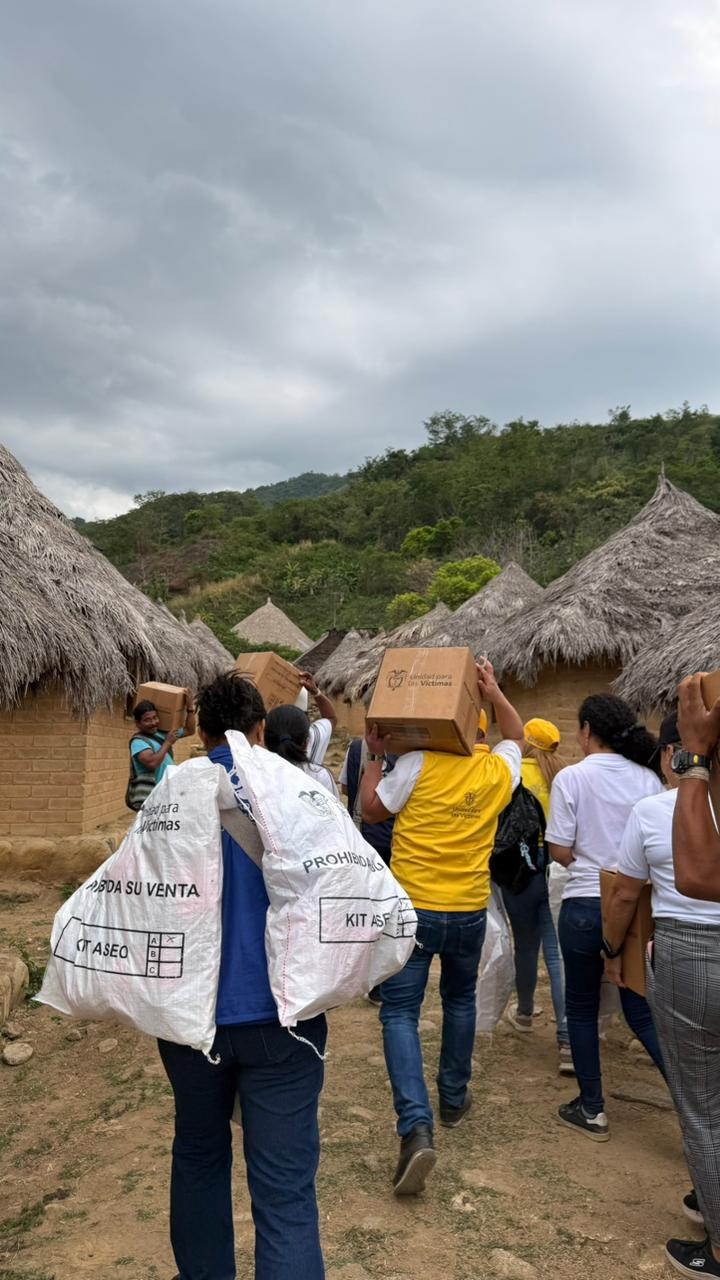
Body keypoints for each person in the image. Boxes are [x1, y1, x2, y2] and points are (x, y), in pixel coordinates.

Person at [157, 671, 327, 1280]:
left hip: (191, 1020)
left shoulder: (172, 793)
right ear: (258, 729)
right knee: (284, 1191)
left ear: (202, 734)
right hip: (283, 1019)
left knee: (199, 1154)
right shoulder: (295, 791)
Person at [360, 660, 523, 1196]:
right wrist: (494, 691)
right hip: (469, 910)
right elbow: (516, 735)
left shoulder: (416, 764)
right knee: (458, 1002)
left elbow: (371, 811)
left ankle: (416, 1126)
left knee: (401, 1013)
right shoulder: (497, 770)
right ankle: (453, 1097)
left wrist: (373, 754)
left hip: (414, 913)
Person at [602, 709, 720, 1278]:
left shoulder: (655, 810)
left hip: (691, 955)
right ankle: (709, 1192)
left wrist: (611, 950)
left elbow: (625, 894)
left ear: (678, 753)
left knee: (702, 1107)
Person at [546, 692, 665, 1141]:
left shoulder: (572, 779)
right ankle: (693, 1100)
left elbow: (559, 850)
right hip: (636, 911)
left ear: (587, 731)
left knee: (580, 1007)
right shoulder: (649, 780)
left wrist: (588, 859)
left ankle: (592, 1108)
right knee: (640, 1007)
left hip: (583, 903)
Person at [500, 718, 573, 1075]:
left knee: (525, 946)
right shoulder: (564, 777)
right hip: (557, 867)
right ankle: (567, 1040)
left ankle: (525, 1012)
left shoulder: (514, 775)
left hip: (520, 870)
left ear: (525, 742)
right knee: (557, 954)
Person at [265, 703, 339, 796]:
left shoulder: (254, 775)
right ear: (306, 743)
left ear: (264, 739)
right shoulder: (319, 776)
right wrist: (316, 692)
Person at [129, 693, 196, 792]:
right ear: (138, 723)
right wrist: (167, 742)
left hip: (168, 791)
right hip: (153, 794)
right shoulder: (138, 742)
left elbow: (190, 730)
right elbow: (152, 762)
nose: (153, 723)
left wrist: (190, 709)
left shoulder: (161, 734)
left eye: (155, 717)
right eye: (147, 720)